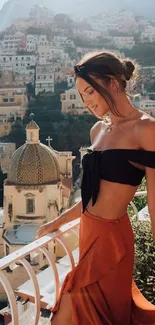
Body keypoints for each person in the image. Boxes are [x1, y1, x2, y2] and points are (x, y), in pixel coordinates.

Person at [36, 51, 155, 325]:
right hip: (88, 235)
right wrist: (56, 222)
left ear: (112, 82)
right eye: (81, 95)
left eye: (89, 91)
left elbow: (153, 205)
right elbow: (91, 198)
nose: (86, 101)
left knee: (74, 310)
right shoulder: (97, 131)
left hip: (113, 241)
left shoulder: (146, 129)